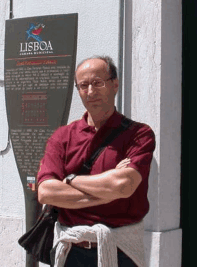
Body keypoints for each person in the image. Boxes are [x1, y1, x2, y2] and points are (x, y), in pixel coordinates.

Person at [37, 56, 155, 267]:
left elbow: (123, 185)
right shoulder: (62, 137)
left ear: (115, 85)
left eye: (98, 83)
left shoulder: (139, 134)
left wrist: (69, 179)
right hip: (71, 251)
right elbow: (46, 193)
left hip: (121, 251)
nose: (91, 92)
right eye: (83, 85)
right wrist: (108, 192)